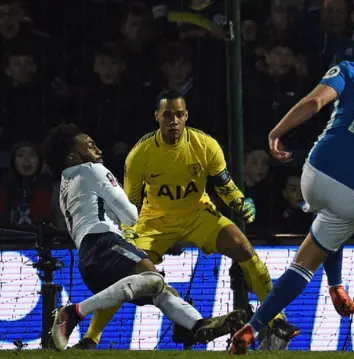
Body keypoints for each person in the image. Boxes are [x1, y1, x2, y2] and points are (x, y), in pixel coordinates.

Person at [230, 23, 354, 354]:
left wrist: (276, 132)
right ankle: (255, 327)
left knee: (326, 217)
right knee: (307, 260)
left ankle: (332, 286)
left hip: (317, 175)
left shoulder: (350, 68)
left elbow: (314, 103)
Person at [73, 90, 298, 349]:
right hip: (154, 221)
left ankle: (276, 320)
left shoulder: (205, 145)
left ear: (186, 115)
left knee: (245, 250)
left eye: (179, 115)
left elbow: (224, 185)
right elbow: (130, 202)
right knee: (126, 275)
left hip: (198, 215)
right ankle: (91, 338)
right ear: (157, 116)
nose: (174, 121)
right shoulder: (140, 154)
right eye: (167, 115)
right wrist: (129, 232)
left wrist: (238, 201)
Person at [44, 124, 244, 351]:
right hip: (104, 243)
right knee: (153, 279)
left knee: (159, 290)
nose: (98, 149)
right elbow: (130, 216)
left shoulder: (64, 185)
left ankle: (198, 324)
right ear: (72, 155)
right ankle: (74, 312)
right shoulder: (93, 170)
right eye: (90, 145)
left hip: (88, 260)